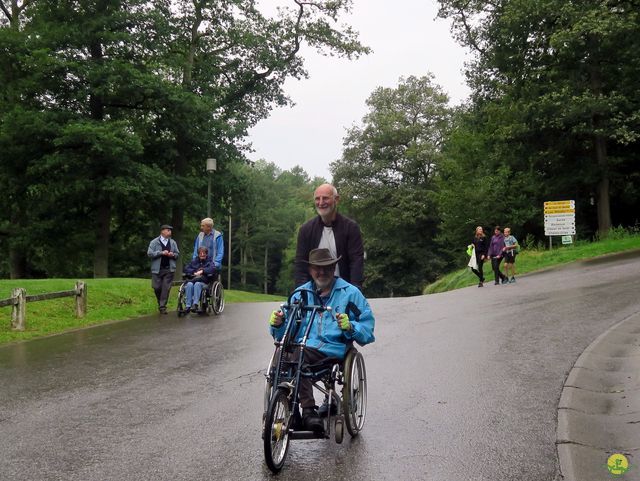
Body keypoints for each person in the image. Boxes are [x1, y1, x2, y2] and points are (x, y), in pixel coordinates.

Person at [269, 248, 375, 432]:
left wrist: (351, 326)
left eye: (326, 267)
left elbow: (367, 329)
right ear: (310, 269)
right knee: (281, 357)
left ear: (334, 267)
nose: (321, 272)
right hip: (302, 347)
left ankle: (309, 411)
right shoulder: (299, 295)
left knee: (298, 356)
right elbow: (287, 333)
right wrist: (278, 324)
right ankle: (290, 409)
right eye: (317, 268)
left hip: (331, 350)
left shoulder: (350, 294)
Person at [294, 183, 364, 289]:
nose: (321, 203)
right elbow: (301, 265)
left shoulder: (351, 228)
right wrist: (302, 293)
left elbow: (356, 263)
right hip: (315, 292)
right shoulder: (306, 230)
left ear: (336, 199)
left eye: (325, 198)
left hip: (344, 291)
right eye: (317, 199)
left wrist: (355, 291)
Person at [147, 224, 180, 314]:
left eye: (170, 230)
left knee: (166, 288)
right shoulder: (154, 242)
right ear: (162, 231)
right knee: (157, 288)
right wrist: (161, 253)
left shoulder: (173, 242)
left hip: (169, 269)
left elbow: (177, 254)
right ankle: (160, 302)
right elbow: (149, 253)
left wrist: (172, 254)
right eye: (168, 230)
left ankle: (162, 307)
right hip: (157, 269)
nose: (170, 232)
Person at [183, 246, 216, 312]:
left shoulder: (210, 262)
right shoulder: (194, 261)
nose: (202, 254)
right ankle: (188, 305)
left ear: (206, 254)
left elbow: (212, 269)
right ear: (198, 254)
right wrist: (194, 272)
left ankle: (195, 304)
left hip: (204, 282)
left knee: (197, 284)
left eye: (204, 253)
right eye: (200, 253)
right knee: (189, 284)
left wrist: (202, 271)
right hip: (193, 279)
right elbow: (186, 268)